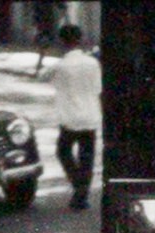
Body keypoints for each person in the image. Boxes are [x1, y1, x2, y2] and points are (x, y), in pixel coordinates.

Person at [47, 23, 101, 210]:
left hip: (69, 118)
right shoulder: (93, 63)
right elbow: (97, 89)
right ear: (80, 40)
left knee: (63, 152)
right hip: (90, 116)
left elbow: (43, 77)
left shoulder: (60, 66)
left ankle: (79, 186)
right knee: (87, 157)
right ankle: (81, 195)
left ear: (62, 42)